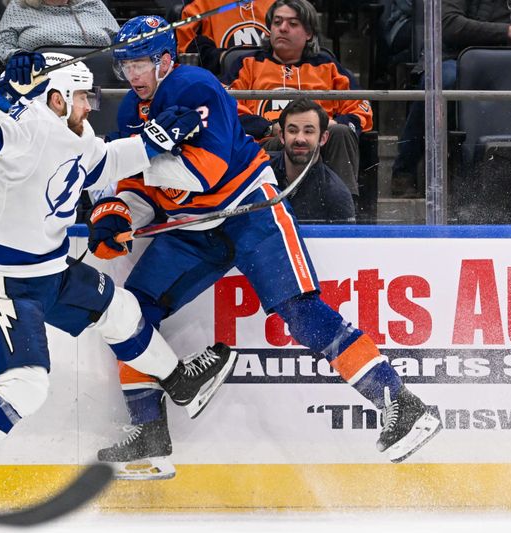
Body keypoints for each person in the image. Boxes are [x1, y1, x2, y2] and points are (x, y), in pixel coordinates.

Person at [92, 15, 439, 480]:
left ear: (165, 59)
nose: (132, 76)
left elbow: (205, 173)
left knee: (300, 312)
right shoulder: (132, 112)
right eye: (125, 66)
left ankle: (401, 403)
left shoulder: (194, 86)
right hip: (195, 225)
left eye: (140, 64)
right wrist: (119, 213)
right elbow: (141, 187)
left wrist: (143, 156)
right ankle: (150, 436)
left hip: (248, 208)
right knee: (129, 310)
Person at [0, 51, 234, 524]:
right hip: (2, 275)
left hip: (49, 269)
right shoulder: (23, 123)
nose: (91, 105)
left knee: (121, 311)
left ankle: (179, 381)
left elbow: (107, 160)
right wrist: (1, 96)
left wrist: (153, 141)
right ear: (57, 98)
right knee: (26, 383)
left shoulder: (79, 135)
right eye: (83, 96)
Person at [225, 0, 373, 199]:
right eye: (277, 22)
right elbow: (224, 108)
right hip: (269, 145)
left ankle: (343, 210)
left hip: (318, 143)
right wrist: (268, 128)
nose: (283, 29)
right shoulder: (247, 64)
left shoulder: (328, 67)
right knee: (286, 140)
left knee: (341, 132)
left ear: (309, 33)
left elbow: (361, 107)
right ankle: (274, 207)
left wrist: (334, 124)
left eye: (292, 24)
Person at [390, 0, 511, 197]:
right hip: (456, 56)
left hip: (509, 59)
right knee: (442, 82)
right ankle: (405, 169)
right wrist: (506, 32)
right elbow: (450, 24)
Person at [270, 98, 355, 223]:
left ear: (323, 138)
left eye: (308, 131)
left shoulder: (336, 195)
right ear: (282, 136)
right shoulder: (259, 174)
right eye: (292, 131)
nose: (300, 139)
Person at [0, 0, 119, 64]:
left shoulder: (93, 4)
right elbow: (0, 49)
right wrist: (19, 57)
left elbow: (121, 42)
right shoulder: (19, 6)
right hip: (39, 84)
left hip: (98, 81)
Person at [175, 0, 275, 74]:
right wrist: (222, 58)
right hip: (222, 85)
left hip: (272, 81)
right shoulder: (200, 4)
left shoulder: (280, 5)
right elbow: (188, 50)